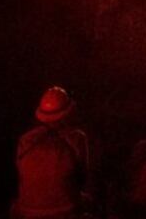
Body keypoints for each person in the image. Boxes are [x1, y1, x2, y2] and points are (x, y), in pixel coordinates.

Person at [12, 86, 92, 219]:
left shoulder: (26, 140)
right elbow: (82, 177)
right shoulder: (76, 138)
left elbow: (20, 172)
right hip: (66, 211)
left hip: (26, 211)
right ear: (69, 112)